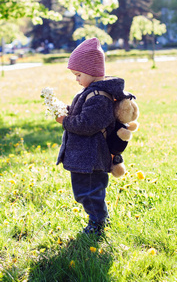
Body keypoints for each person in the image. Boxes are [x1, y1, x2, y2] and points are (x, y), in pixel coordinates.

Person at [55, 37, 128, 236]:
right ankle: (99, 217)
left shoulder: (99, 98)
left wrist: (65, 121)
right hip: (84, 157)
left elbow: (88, 124)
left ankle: (97, 223)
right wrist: (68, 110)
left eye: (78, 74)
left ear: (92, 72)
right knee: (85, 191)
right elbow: (82, 113)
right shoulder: (90, 92)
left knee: (88, 192)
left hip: (91, 157)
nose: (76, 79)